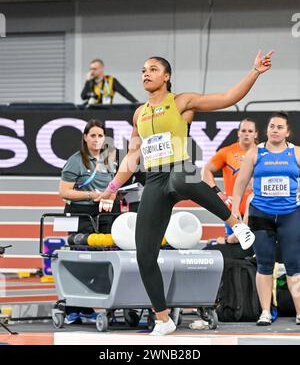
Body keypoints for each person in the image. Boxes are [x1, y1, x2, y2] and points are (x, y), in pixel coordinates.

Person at [96, 51, 273, 336]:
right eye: (143, 69)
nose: (146, 73)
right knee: (144, 254)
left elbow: (228, 97)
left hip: (180, 170)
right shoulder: (139, 113)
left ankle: (237, 225)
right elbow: (131, 158)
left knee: (181, 179)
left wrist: (254, 71)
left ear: (166, 77)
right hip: (154, 180)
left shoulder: (181, 102)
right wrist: (110, 189)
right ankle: (163, 318)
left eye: (153, 69)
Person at [232, 111, 300, 326]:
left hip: (290, 215)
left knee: (294, 265)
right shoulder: (255, 153)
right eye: (272, 126)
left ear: (287, 132)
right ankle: (264, 312)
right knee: (264, 264)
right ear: (267, 130)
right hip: (261, 214)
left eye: (280, 127)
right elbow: (240, 182)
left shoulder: (296, 153)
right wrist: (235, 210)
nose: (275, 130)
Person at [59, 119, 118, 323]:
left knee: (106, 258)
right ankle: (74, 308)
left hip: (106, 213)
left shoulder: (111, 159)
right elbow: (64, 192)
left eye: (100, 135)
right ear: (85, 137)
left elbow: (116, 184)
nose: (96, 139)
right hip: (82, 214)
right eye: (92, 135)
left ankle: (90, 305)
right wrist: (91, 196)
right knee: (82, 259)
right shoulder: (76, 160)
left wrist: (112, 195)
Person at [202, 119, 258, 258]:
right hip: (233, 214)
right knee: (234, 253)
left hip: (257, 212)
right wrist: (218, 192)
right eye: (243, 131)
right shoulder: (227, 152)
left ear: (256, 134)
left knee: (257, 252)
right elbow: (206, 171)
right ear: (238, 133)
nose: (246, 134)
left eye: (250, 131)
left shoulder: (263, 152)